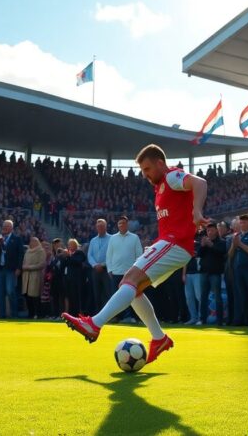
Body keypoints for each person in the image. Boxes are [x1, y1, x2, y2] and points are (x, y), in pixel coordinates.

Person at [62, 143, 208, 365]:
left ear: (160, 163)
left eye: (147, 169)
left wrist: (197, 211)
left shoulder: (171, 177)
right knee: (133, 289)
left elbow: (200, 182)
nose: (145, 175)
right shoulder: (159, 188)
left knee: (129, 280)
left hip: (176, 243)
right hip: (170, 243)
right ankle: (159, 338)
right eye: (143, 171)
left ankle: (95, 324)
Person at [105, 216, 143, 323]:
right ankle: (117, 317)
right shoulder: (113, 238)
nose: (121, 225)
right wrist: (110, 270)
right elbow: (109, 255)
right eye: (119, 223)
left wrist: (136, 270)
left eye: (123, 223)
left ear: (127, 224)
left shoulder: (134, 237)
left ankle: (130, 317)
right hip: (116, 272)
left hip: (130, 273)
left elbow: (139, 255)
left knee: (130, 297)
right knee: (116, 297)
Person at [198, 222, 226, 325]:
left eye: (212, 230)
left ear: (216, 231)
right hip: (204, 272)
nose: (209, 232)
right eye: (208, 230)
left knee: (218, 297)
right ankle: (202, 320)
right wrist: (202, 246)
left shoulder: (221, 242)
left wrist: (211, 245)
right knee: (203, 297)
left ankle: (219, 321)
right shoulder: (204, 242)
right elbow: (199, 255)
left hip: (215, 273)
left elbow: (221, 252)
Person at [0, 220, 24, 318]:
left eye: (7, 226)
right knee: (0, 293)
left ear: (11, 228)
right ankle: (2, 314)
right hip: (0, 269)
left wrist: (19, 268)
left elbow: (21, 254)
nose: (5, 228)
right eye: (4, 226)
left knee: (10, 291)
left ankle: (14, 314)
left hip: (11, 269)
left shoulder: (17, 239)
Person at [87, 219, 112, 313]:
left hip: (107, 269)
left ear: (106, 227)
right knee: (96, 293)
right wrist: (95, 265)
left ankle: (109, 314)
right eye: (98, 226)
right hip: (95, 270)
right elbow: (90, 255)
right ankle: (98, 314)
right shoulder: (93, 240)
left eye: (102, 226)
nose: (100, 228)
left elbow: (112, 254)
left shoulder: (112, 238)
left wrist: (102, 264)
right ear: (96, 228)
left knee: (108, 292)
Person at [22, 237, 46, 319]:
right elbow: (24, 262)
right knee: (27, 296)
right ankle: (30, 313)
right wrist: (24, 267)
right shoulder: (27, 252)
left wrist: (29, 267)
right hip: (26, 276)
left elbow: (42, 264)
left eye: (33, 241)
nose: (31, 243)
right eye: (31, 241)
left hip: (35, 276)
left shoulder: (41, 251)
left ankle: (38, 314)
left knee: (35, 296)